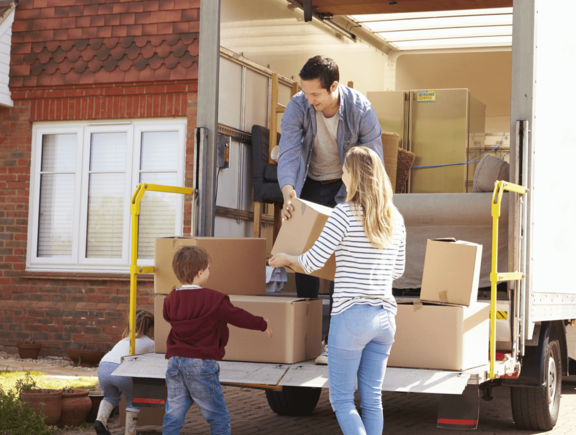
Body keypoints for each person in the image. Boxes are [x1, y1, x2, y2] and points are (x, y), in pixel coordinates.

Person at [270, 147, 406, 434]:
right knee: (372, 400)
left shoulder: (343, 213)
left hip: (351, 317)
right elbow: (398, 271)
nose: (341, 175)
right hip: (385, 319)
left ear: (354, 176)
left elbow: (313, 261)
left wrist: (286, 259)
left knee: (342, 400)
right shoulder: (395, 218)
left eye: (344, 170)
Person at [277, 55, 385, 364]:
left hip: (347, 186)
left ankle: (335, 342)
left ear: (334, 87)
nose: (309, 100)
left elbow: (372, 161)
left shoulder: (360, 109)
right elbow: (289, 151)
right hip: (308, 183)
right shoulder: (299, 105)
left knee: (342, 260)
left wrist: (357, 204)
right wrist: (288, 192)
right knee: (304, 255)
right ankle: (307, 338)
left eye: (315, 95)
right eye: (305, 92)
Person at [162, 245, 274, 435]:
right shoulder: (213, 299)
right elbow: (237, 316)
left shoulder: (170, 299)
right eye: (208, 268)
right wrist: (262, 324)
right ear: (200, 272)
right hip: (201, 364)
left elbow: (167, 317)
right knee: (218, 417)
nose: (209, 271)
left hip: (175, 362)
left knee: (173, 414)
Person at [94, 310, 156, 435]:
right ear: (150, 328)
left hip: (104, 367)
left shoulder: (124, 340)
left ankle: (101, 420)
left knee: (110, 397)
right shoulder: (150, 343)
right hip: (122, 370)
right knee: (134, 401)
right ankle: (130, 432)